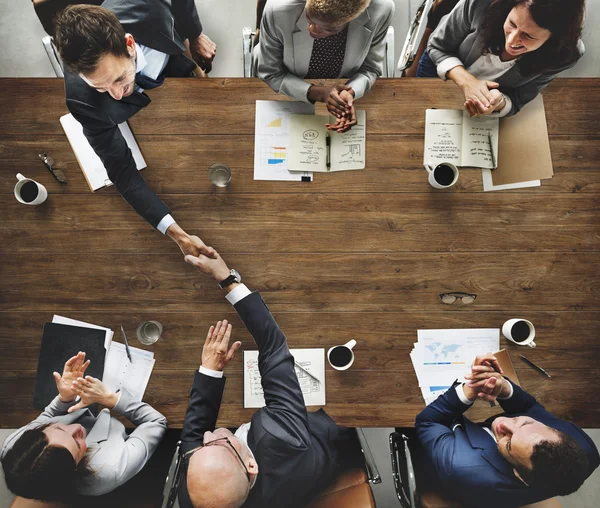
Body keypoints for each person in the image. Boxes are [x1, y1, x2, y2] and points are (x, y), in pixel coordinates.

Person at [177, 250, 363, 508]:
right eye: (217, 443)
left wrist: (210, 370)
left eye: (201, 449)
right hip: (322, 443)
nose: (206, 436)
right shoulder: (280, 438)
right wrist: (226, 278)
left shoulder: (198, 496)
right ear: (251, 466)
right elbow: (274, 348)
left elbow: (192, 439)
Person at [53, 1, 217, 257]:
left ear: (129, 44)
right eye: (101, 87)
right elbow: (123, 173)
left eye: (119, 78)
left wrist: (194, 33)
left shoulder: (147, 5)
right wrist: (178, 235)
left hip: (174, 58)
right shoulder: (81, 100)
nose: (116, 95)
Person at [415, 353, 600, 507]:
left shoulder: (461, 464)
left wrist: (470, 389)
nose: (503, 423)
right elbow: (530, 407)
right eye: (526, 424)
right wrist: (503, 387)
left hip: (441, 470)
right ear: (556, 431)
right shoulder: (585, 449)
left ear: (519, 474)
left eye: (509, 443)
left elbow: (427, 421)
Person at [1, 352, 167, 502]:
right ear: (74, 468)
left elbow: (47, 416)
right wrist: (111, 399)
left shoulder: (14, 445)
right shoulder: (110, 469)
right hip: (124, 424)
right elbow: (156, 422)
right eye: (76, 443)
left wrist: (65, 398)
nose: (76, 428)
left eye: (58, 428)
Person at [416, 0, 585, 117]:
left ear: (553, 39)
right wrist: (468, 82)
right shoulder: (481, 4)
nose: (511, 41)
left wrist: (500, 104)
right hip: (438, 71)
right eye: (512, 23)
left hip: (481, 112)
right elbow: (437, 47)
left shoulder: (565, 54)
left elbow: (518, 99)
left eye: (528, 36)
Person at [257, 0, 395, 132]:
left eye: (327, 28)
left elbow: (370, 69)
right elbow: (271, 72)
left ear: (352, 18)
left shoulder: (382, 9)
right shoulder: (278, 8)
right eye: (308, 17)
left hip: (347, 87)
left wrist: (350, 93)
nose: (312, 29)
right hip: (283, 92)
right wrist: (319, 93)